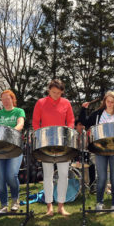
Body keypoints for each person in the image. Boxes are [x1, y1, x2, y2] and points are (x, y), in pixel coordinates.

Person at [79, 91, 114, 211]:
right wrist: (83, 110)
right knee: (101, 177)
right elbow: (84, 123)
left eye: (112, 102)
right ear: (105, 101)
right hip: (100, 149)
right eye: (108, 101)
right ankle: (99, 202)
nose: (110, 104)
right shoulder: (97, 114)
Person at [32, 79, 75, 216]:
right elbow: (35, 122)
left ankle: (61, 206)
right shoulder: (40, 103)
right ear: (48, 90)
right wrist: (41, 136)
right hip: (46, 145)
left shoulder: (66, 103)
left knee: (63, 175)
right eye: (53, 92)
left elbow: (71, 120)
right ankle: (49, 206)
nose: (56, 95)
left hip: (62, 144)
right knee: (48, 176)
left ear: (62, 92)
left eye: (58, 93)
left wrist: (68, 132)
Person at [0, 90, 25, 213]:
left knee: (11, 175)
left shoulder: (19, 111)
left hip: (15, 147)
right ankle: (3, 204)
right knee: (0, 179)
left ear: (12, 99)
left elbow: (20, 125)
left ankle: (15, 200)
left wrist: (9, 133)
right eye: (3, 99)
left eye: (7, 98)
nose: (5, 101)